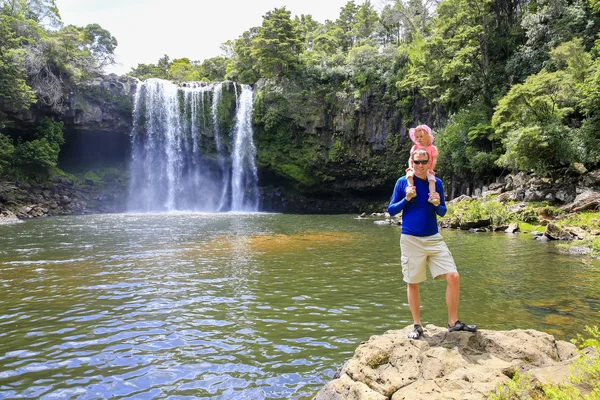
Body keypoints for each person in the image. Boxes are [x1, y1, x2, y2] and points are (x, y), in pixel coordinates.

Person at [388, 148, 476, 339]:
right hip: (410, 238)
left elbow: (443, 212)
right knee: (413, 282)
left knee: (453, 276)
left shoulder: (436, 183)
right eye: (417, 162)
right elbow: (391, 210)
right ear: (411, 162)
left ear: (429, 163)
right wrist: (406, 198)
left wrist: (437, 203)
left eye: (423, 162)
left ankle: (453, 323)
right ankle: (417, 325)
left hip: (433, 237)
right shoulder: (402, 182)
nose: (420, 165)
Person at [405, 125, 438, 204]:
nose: (419, 139)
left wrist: (431, 169)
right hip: (415, 169)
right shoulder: (415, 147)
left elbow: (434, 160)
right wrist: (410, 167)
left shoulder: (432, 148)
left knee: (432, 179)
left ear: (427, 136)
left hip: (427, 169)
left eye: (421, 136)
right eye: (417, 137)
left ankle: (432, 195)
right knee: (409, 174)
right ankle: (411, 189)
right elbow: (411, 158)